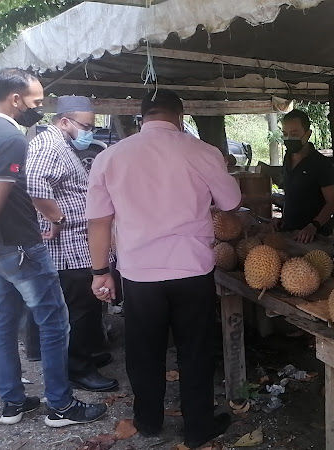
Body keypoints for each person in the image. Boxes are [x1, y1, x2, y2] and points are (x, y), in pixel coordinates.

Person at [86, 89, 242, 448]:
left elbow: (98, 221)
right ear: (180, 116)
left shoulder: (110, 157)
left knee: (143, 351)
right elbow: (231, 201)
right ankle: (199, 426)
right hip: (192, 271)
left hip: (140, 274)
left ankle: (149, 421)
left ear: (142, 117)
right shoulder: (202, 152)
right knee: (196, 351)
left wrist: (99, 272)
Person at [0, 68, 106, 427]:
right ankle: (61, 405)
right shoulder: (12, 138)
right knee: (54, 323)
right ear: (15, 99)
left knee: (5, 321)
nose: (38, 109)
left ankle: (13, 402)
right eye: (36, 102)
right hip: (22, 245)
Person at [26, 95, 118, 392]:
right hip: (67, 244)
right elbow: (33, 185)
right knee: (78, 308)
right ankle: (77, 369)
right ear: (64, 121)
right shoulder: (48, 144)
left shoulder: (62, 145)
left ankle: (85, 355)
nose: (90, 132)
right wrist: (57, 219)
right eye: (86, 126)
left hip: (79, 240)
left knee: (87, 306)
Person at [276, 109, 334, 243]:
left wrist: (313, 226)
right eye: (285, 134)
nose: (288, 139)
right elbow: (292, 195)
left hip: (316, 237)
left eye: (294, 134)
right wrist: (284, 219)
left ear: (308, 134)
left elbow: (333, 202)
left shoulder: (321, 163)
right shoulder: (287, 157)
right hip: (290, 233)